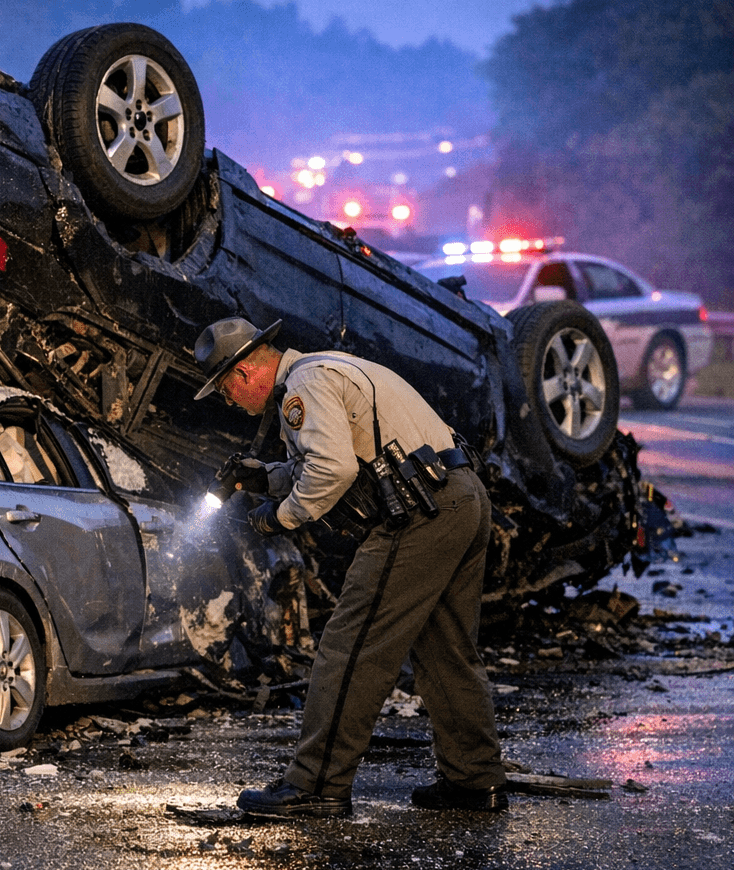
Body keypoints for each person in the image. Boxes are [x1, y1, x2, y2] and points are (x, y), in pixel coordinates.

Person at [193, 316, 507, 817]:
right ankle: (474, 780)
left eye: (228, 393)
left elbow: (331, 470)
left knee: (350, 647)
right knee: (445, 649)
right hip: (460, 496)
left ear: (245, 374)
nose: (232, 403)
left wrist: (278, 517)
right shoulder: (326, 368)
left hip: (417, 512)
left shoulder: (303, 386)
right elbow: (334, 456)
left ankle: (317, 784)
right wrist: (265, 479)